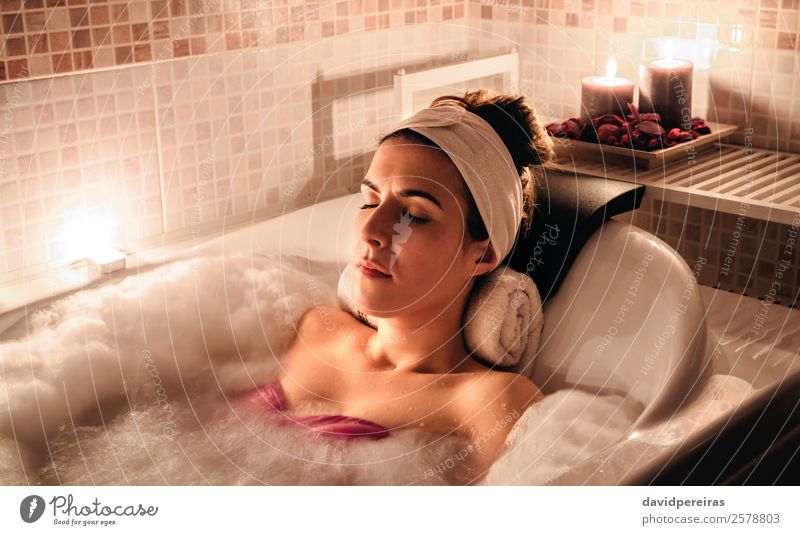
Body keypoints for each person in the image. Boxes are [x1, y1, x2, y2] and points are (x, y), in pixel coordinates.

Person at [277, 89, 554, 483]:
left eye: (415, 215)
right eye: (370, 201)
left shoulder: (486, 405)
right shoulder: (307, 328)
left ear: (481, 255)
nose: (371, 230)